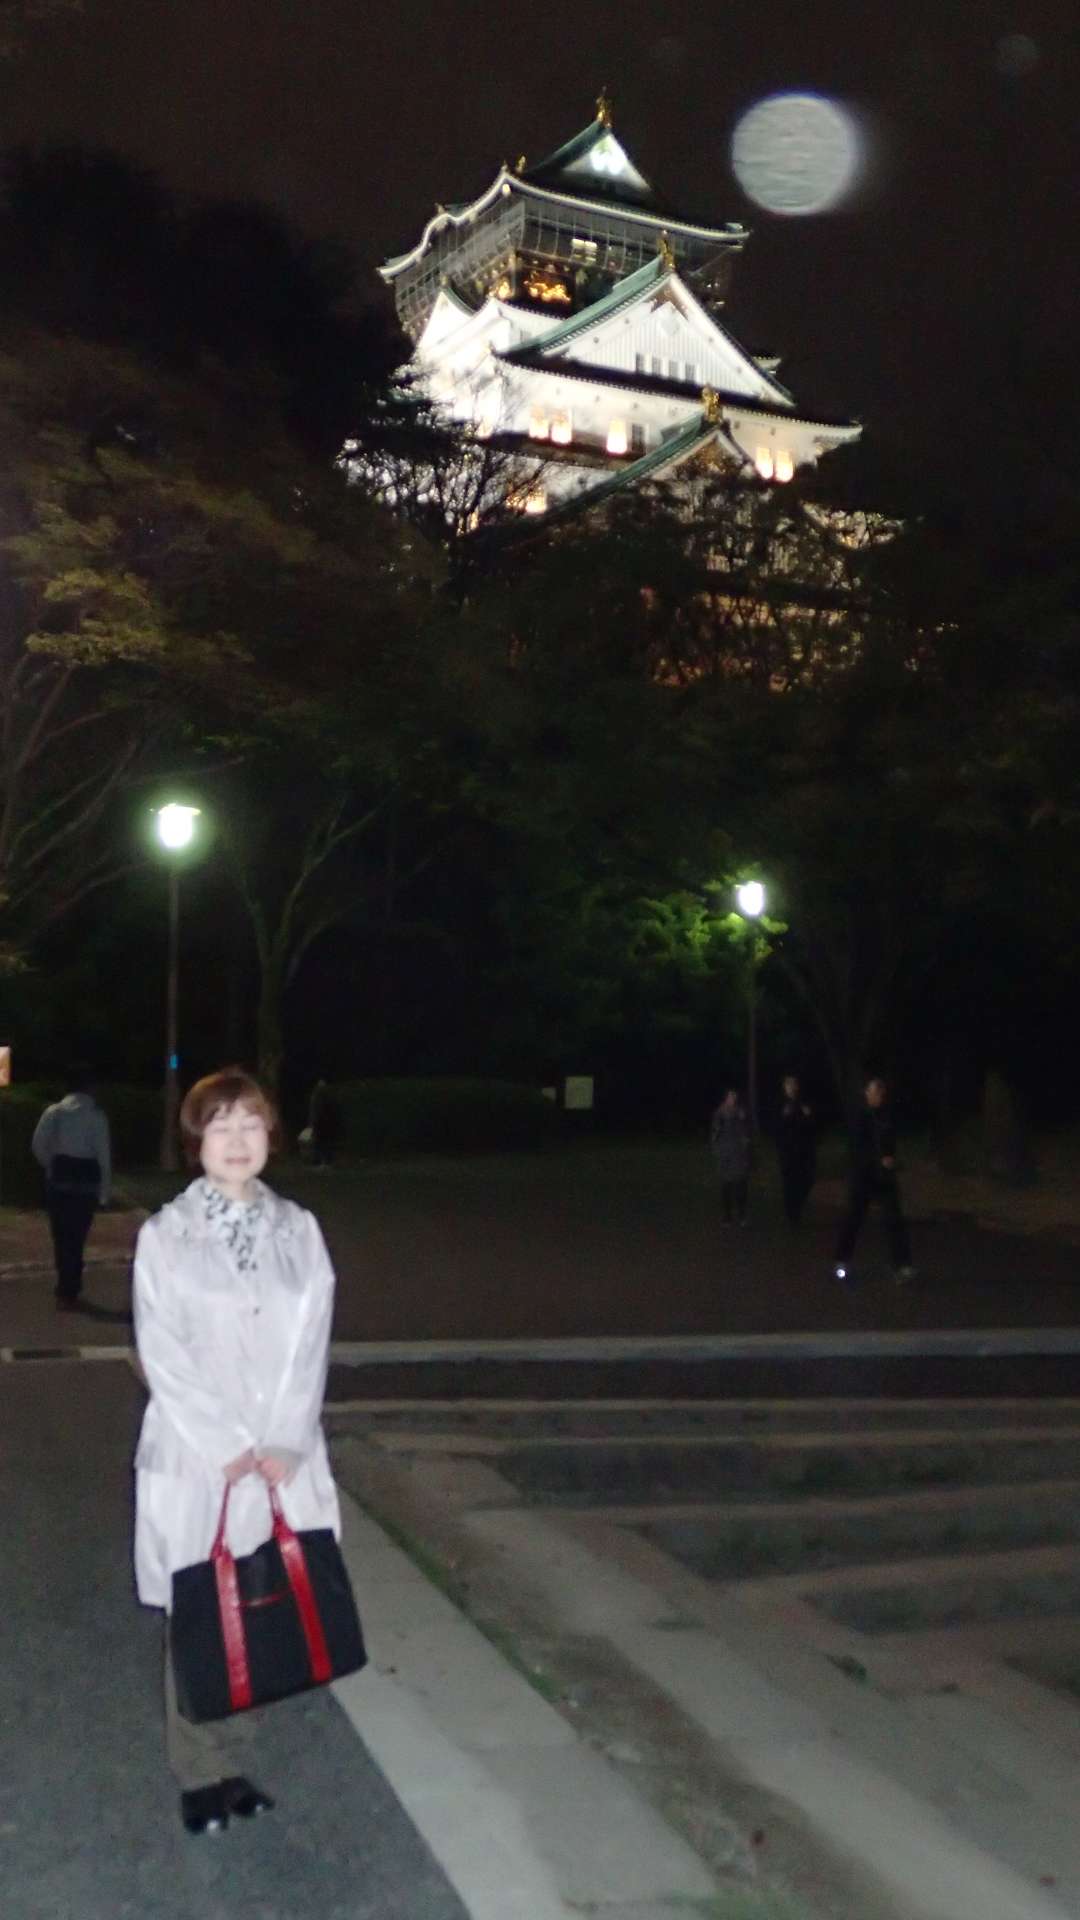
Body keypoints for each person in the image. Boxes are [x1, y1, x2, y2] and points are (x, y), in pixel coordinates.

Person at [132, 1066, 342, 1837]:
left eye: (250, 1124)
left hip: (280, 1456)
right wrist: (225, 1443)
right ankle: (198, 1773)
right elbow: (162, 1349)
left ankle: (235, 1761)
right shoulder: (166, 1236)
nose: (237, 1140)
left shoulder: (299, 1231)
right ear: (197, 1142)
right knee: (199, 1607)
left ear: (271, 1137)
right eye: (220, 1126)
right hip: (198, 1452)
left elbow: (312, 1339)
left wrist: (285, 1436)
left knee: (259, 1604)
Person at [31, 1065, 111, 1312]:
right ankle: (71, 1287)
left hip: (59, 1182)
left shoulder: (54, 1113)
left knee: (61, 1236)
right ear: (89, 1087)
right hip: (85, 1184)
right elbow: (103, 1157)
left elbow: (38, 1145)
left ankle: (65, 1287)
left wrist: (51, 1164)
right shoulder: (96, 1116)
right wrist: (104, 1193)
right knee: (77, 1238)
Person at [834, 1075, 916, 1284]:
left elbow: (890, 1143)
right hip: (863, 1176)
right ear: (867, 1093)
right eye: (875, 1092)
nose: (879, 1096)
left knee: (894, 1219)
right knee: (853, 1218)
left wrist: (892, 1161)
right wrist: (877, 1160)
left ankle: (903, 1265)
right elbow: (857, 1148)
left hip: (884, 1177)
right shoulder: (859, 1116)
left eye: (881, 1092)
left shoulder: (886, 1116)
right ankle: (842, 1260)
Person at [775, 1074, 817, 1228]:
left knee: (807, 1181)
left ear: (797, 1087)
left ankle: (796, 1209)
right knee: (789, 1184)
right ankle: (792, 1216)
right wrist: (783, 1116)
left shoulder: (804, 1102)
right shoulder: (780, 1104)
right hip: (787, 1152)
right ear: (784, 1087)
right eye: (788, 1085)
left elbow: (812, 1127)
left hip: (803, 1151)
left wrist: (809, 1116)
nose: (791, 1088)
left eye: (794, 1084)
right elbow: (775, 1128)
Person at [710, 1088, 751, 1225]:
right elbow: (715, 1134)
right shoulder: (720, 1113)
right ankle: (727, 1215)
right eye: (730, 1096)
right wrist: (717, 1150)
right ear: (725, 1098)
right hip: (726, 1155)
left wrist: (746, 1147)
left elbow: (746, 1133)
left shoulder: (741, 1112)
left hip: (739, 1154)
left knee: (741, 1185)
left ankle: (742, 1215)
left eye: (734, 1096)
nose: (732, 1099)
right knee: (726, 1186)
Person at [307, 1076, 342, 1167]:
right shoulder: (328, 1094)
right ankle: (325, 1161)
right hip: (325, 1122)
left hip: (321, 1122)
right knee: (325, 1142)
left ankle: (320, 1161)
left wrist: (313, 1122)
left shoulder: (318, 1094)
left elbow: (315, 1109)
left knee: (320, 1142)